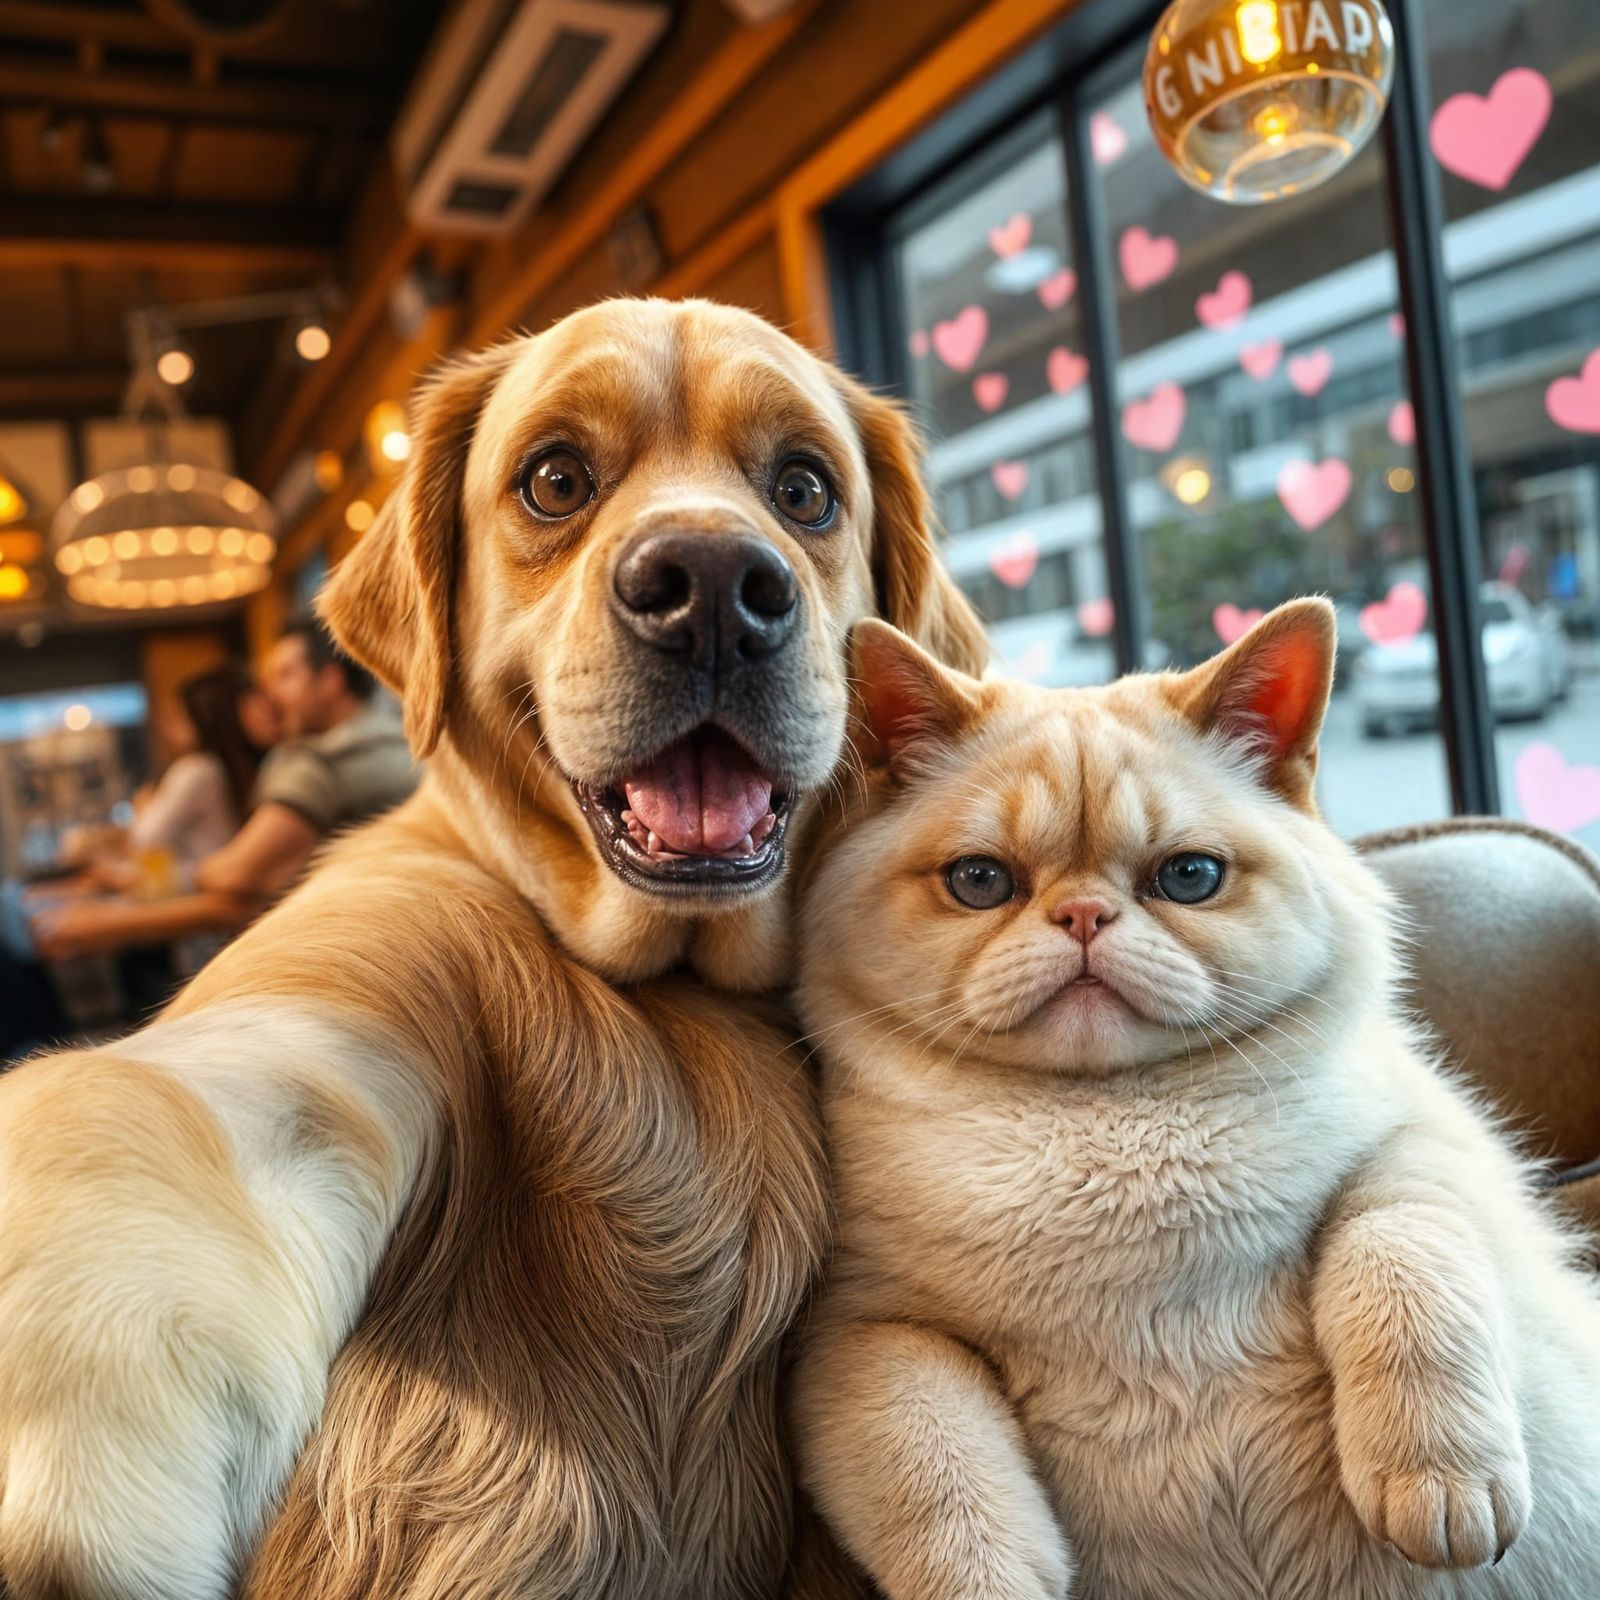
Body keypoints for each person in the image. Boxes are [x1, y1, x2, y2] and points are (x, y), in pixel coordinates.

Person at [23, 618, 416, 973]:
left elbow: (240, 877)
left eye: (284, 676)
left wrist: (116, 917)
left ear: (330, 680)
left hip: (366, 963)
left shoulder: (322, 761)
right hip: (398, 945)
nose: (271, 697)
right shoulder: (395, 737)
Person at [2, 661, 280, 1058]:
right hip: (214, 921)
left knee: (18, 926)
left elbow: (149, 841)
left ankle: (38, 1053)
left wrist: (141, 812)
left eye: (176, 716)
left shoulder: (199, 769)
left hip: (205, 929)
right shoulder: (246, 770)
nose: (166, 725)